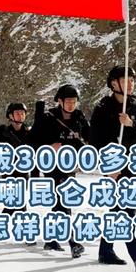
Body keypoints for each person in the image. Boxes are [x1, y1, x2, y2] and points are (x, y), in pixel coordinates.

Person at [90, 65, 136, 272]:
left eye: (132, 80)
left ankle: (105, 251)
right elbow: (95, 140)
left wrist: (132, 122)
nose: (130, 84)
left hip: (133, 162)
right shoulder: (103, 107)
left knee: (120, 209)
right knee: (127, 210)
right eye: (126, 80)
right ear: (113, 83)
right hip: (114, 165)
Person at [32, 84, 89, 259]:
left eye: (74, 101)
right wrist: (49, 146)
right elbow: (32, 141)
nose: (71, 104)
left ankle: (51, 239)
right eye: (68, 101)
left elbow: (90, 137)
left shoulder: (79, 118)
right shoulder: (48, 118)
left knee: (60, 204)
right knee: (64, 202)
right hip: (52, 167)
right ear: (60, 101)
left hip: (70, 166)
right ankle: (73, 242)